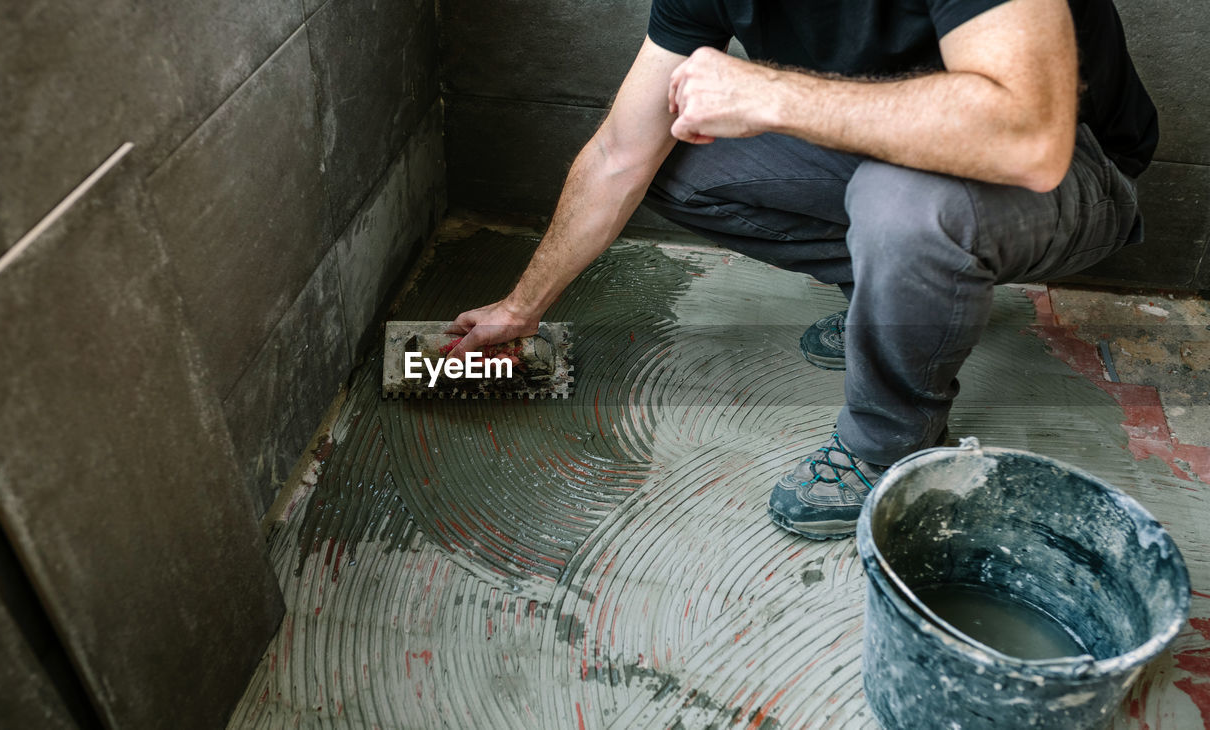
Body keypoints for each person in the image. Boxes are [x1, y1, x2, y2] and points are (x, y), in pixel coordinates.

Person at [445, 0, 1155, 540]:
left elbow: (1030, 137)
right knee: (678, 153)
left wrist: (770, 95)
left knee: (901, 202)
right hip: (891, 155)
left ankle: (888, 443)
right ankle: (900, 289)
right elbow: (619, 155)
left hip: (1068, 169)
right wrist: (522, 305)